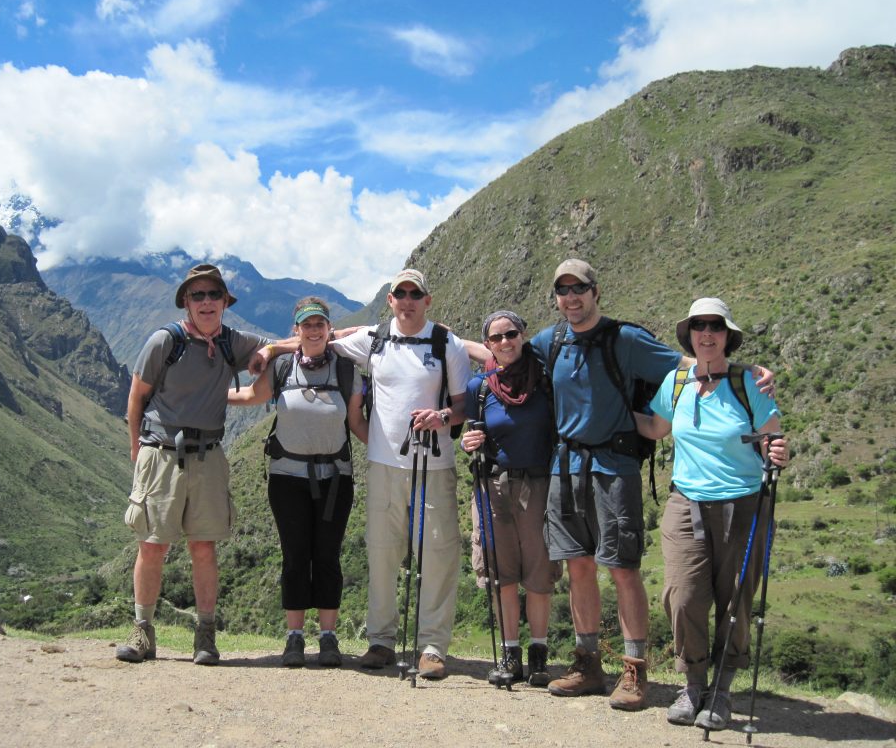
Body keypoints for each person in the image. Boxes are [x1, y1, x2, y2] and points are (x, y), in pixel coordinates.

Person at [505, 258, 774, 712]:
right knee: (578, 568)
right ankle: (588, 663)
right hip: (565, 468)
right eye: (563, 290)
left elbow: (690, 362)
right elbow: (500, 353)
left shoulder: (624, 339)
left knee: (623, 568)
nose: (571, 298)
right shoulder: (551, 342)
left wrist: (744, 372)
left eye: (580, 289)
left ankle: (634, 670)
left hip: (615, 468)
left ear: (596, 292)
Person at [254, 269, 472, 680]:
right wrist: (268, 352)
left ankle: (432, 647)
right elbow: (318, 338)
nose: (407, 300)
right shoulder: (373, 338)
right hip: (384, 465)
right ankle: (381, 641)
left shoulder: (448, 345)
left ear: (428, 300)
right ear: (390, 300)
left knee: (438, 555)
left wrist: (442, 415)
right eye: (400, 294)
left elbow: (462, 404)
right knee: (382, 551)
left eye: (415, 294)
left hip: (434, 463)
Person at [634, 298, 788, 730]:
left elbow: (772, 440)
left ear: (727, 336)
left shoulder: (748, 383)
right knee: (682, 596)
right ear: (689, 335)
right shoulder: (678, 380)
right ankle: (693, 684)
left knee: (735, 599)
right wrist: (608, 413)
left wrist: (778, 452)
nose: (706, 334)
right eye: (698, 326)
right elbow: (655, 427)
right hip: (686, 503)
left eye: (715, 327)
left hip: (744, 503)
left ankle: (721, 692)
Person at [116, 264, 271, 665]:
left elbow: (282, 345)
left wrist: (268, 351)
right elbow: (136, 397)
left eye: (213, 295)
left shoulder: (232, 342)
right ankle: (143, 631)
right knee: (152, 545)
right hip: (161, 452)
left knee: (204, 547)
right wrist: (137, 451)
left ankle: (205, 635)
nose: (206, 302)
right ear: (186, 301)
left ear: (224, 302)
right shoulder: (165, 341)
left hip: (208, 455)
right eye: (198, 295)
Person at [227, 298, 368, 667]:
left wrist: (395, 449)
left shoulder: (348, 370)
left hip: (336, 478)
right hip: (286, 479)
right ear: (297, 330)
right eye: (307, 325)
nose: (314, 330)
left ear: (329, 328)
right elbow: (250, 396)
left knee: (327, 557)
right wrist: (204, 396)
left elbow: (357, 423)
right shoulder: (281, 367)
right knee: (294, 557)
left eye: (320, 323)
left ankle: (328, 638)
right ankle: (294, 638)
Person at [461, 310, 562, 687]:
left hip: (539, 485)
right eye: (497, 337)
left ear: (523, 336)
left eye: (511, 334)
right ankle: (510, 654)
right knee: (503, 575)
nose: (505, 342)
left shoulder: (546, 382)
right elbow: (472, 435)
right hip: (494, 487)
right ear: (487, 345)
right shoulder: (480, 388)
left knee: (539, 573)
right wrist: (467, 441)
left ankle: (538, 655)